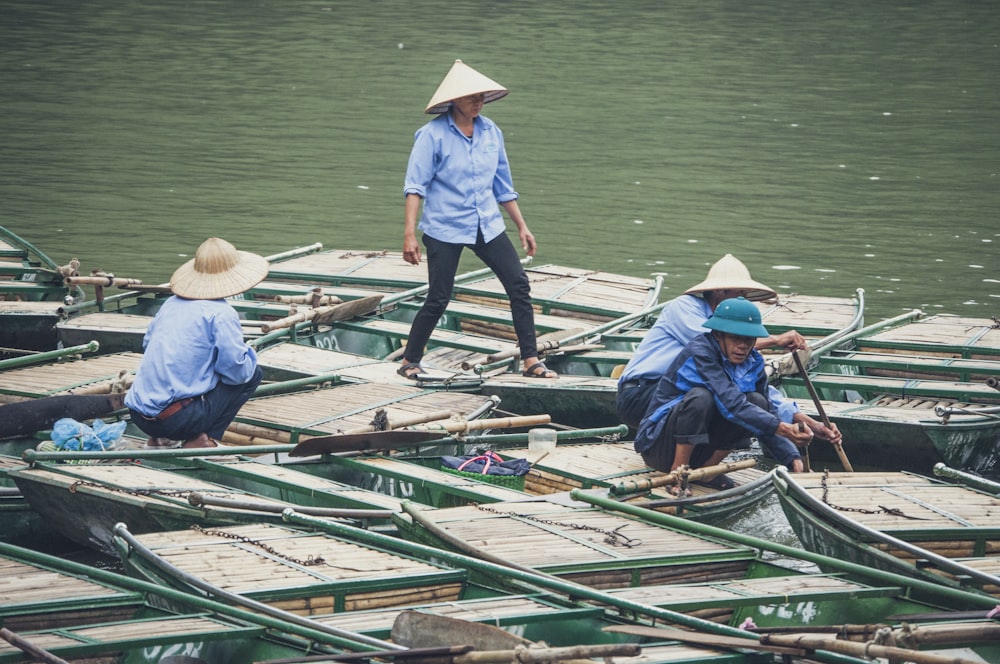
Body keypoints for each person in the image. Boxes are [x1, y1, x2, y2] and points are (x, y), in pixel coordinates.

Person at [398, 59, 556, 380]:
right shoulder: (432, 136)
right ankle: (410, 360)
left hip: (487, 223)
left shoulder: (491, 132)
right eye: (472, 97)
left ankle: (530, 359)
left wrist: (522, 227)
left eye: (482, 96)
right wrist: (409, 234)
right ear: (454, 100)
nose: (479, 101)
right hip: (445, 227)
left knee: (518, 285)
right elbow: (415, 187)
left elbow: (503, 186)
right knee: (439, 297)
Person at [634, 297, 842, 491]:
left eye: (748, 340)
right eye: (735, 338)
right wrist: (785, 429)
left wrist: (794, 460)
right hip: (659, 446)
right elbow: (731, 403)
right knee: (701, 398)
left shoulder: (753, 362)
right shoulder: (700, 352)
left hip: (701, 449)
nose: (742, 347)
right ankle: (678, 473)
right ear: (718, 335)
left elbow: (766, 414)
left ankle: (708, 471)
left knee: (757, 401)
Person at [617, 253, 805, 431]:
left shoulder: (730, 336)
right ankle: (678, 459)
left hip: (673, 391)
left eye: (745, 293)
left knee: (749, 398)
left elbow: (749, 381)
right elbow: (715, 345)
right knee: (711, 394)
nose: (744, 299)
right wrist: (775, 340)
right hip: (641, 394)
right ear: (719, 292)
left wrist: (799, 417)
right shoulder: (684, 307)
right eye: (739, 292)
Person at [124, 237, 267, 448]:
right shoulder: (222, 313)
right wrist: (249, 353)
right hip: (177, 421)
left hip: (138, 415)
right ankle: (201, 440)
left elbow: (148, 345)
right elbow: (237, 372)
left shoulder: (170, 304)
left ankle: (159, 439)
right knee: (252, 373)